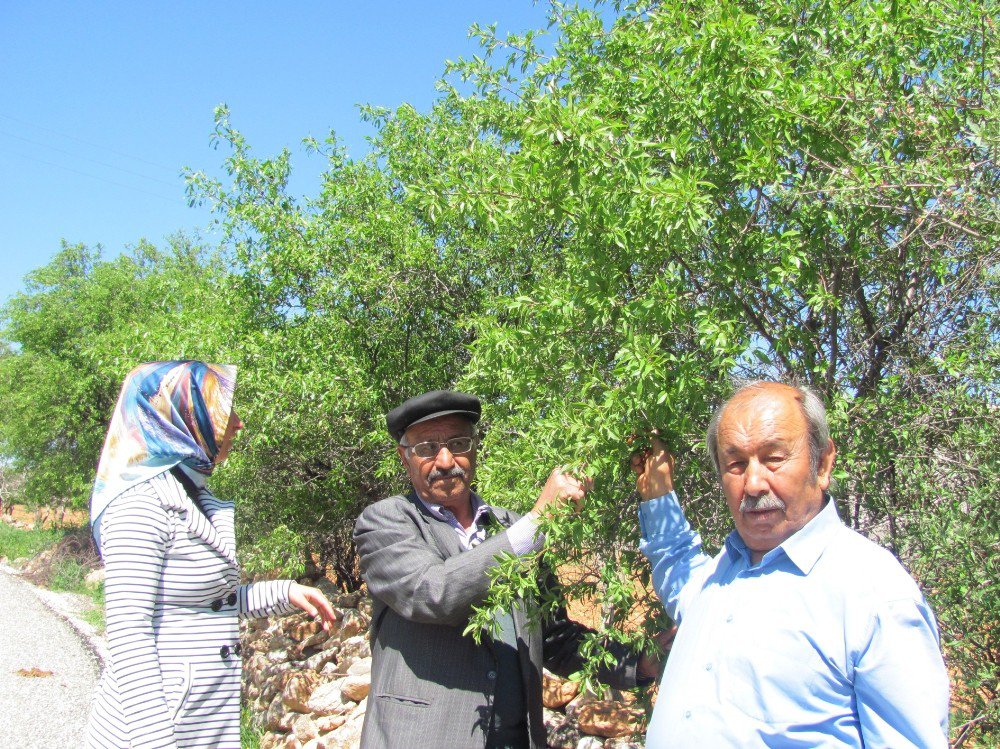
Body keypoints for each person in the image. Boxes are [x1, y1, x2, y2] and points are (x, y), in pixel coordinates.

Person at [632, 381, 950, 747]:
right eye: (735, 464)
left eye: (774, 458)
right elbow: (679, 570)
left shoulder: (874, 596)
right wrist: (657, 495)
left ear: (823, 463)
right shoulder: (724, 574)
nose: (753, 483)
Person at [354, 389, 661, 749]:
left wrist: (638, 663)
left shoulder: (512, 527)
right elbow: (431, 592)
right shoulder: (386, 522)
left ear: (475, 448)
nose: (445, 459)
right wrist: (538, 522)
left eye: (458, 442)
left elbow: (553, 637)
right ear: (404, 459)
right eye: (426, 448)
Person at [86, 361, 337, 749]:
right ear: (187, 416)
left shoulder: (192, 492)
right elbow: (128, 632)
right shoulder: (139, 504)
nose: (238, 424)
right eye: (224, 411)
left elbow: (206, 602)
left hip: (199, 723)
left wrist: (284, 592)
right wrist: (154, 742)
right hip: (156, 729)